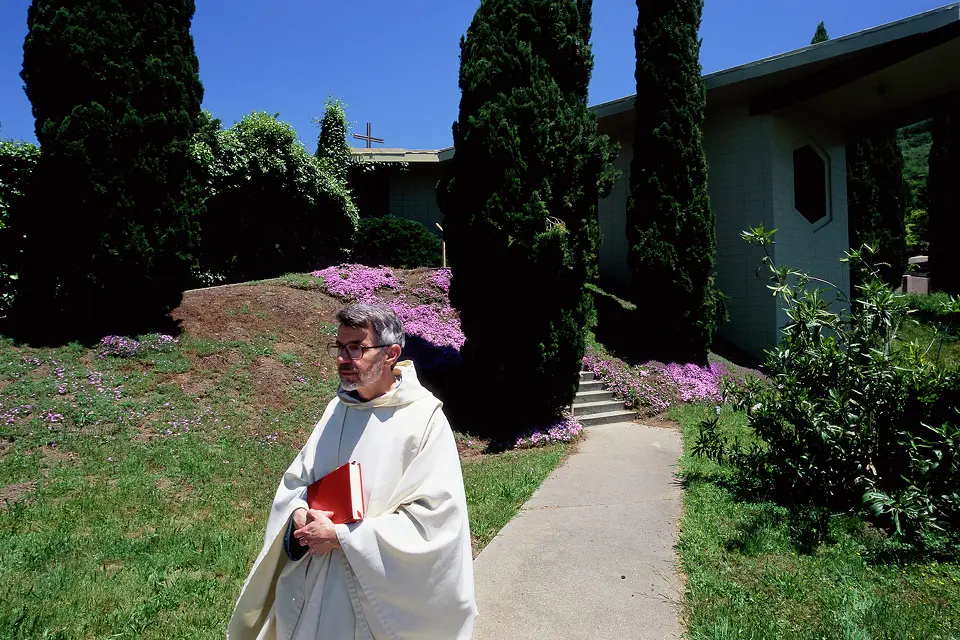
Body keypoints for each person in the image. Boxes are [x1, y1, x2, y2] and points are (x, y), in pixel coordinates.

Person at [228, 303, 477, 639]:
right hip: (319, 581)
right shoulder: (338, 409)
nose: (344, 358)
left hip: (378, 594)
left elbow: (435, 520)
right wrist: (299, 512)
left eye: (357, 348)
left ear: (391, 354)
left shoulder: (424, 420)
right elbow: (298, 481)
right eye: (340, 347)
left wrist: (344, 538)